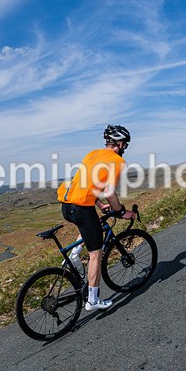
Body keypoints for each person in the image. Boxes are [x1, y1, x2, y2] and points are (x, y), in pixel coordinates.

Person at [57, 124, 136, 311]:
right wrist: (121, 211)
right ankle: (93, 300)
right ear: (118, 143)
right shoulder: (117, 161)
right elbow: (109, 191)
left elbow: (87, 183)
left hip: (67, 206)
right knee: (96, 254)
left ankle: (74, 255)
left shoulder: (92, 153)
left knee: (92, 224)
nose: (125, 148)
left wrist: (99, 204)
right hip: (82, 208)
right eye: (125, 144)